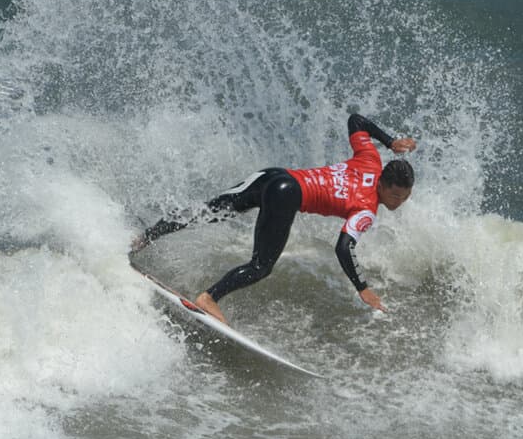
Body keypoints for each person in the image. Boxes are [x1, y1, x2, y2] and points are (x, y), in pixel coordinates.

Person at [132, 113, 417, 324]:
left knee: (208, 213)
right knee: (261, 266)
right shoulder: (366, 208)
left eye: (404, 198)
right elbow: (344, 247)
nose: (398, 203)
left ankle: (143, 238)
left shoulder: (370, 159)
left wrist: (389, 142)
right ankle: (208, 298)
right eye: (395, 197)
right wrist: (363, 288)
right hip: (287, 194)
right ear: (381, 184)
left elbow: (356, 121)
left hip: (275, 176)